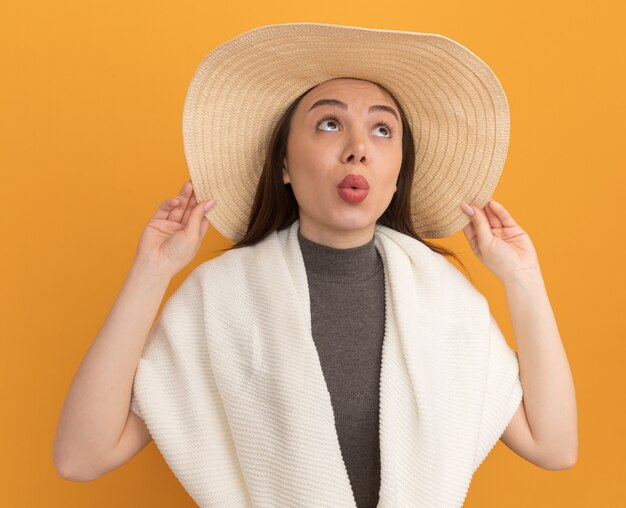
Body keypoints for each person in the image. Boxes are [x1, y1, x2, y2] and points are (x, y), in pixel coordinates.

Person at [53, 23, 577, 507]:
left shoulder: (445, 302)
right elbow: (81, 457)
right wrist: (151, 274)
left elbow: (554, 447)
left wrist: (523, 281)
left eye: (382, 131)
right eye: (329, 124)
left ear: (398, 173)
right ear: (283, 164)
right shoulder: (220, 299)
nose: (357, 150)